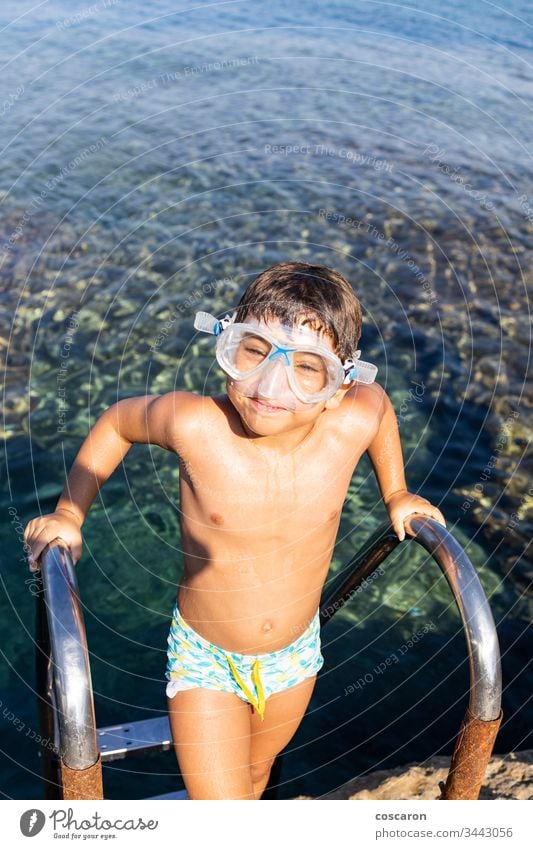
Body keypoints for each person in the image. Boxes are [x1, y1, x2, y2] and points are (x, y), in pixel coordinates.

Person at [24, 261, 446, 800]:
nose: (270, 385)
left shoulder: (353, 418)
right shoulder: (197, 425)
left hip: (297, 654)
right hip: (208, 659)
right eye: (254, 350)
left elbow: (381, 409)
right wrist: (69, 513)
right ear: (226, 344)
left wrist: (396, 492)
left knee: (253, 778)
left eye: (306, 369)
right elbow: (116, 423)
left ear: (340, 385)